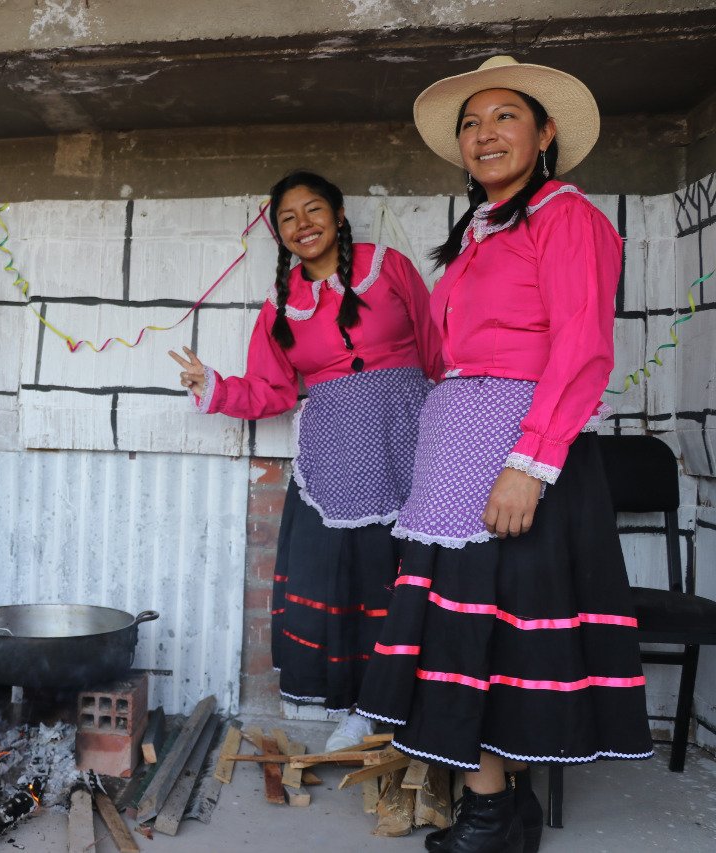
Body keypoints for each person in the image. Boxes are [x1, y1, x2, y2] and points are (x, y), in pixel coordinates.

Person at [356, 56, 654, 853]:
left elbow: (583, 347)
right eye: (470, 123)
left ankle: (489, 813)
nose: (484, 134)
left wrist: (530, 462)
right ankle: (505, 809)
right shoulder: (482, 231)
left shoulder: (568, 217)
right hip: (457, 455)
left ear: (546, 131)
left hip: (517, 453)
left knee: (495, 630)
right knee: (466, 627)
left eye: (504, 117)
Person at [169, 171, 442, 751]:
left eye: (313, 209)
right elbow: (271, 391)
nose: (302, 225)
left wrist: (460, 429)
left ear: (340, 214)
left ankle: (427, 708)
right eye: (288, 218)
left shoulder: (386, 265)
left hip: (411, 437)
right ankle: (363, 711)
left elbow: (437, 345)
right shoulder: (281, 305)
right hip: (337, 453)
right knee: (355, 581)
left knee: (417, 573)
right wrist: (211, 385)